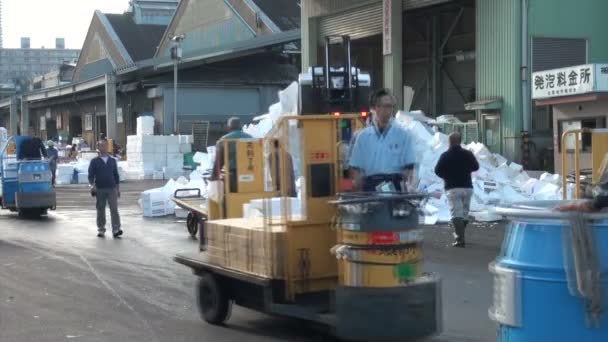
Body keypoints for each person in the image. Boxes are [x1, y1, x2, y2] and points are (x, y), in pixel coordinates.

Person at [348, 88, 416, 192]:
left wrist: (407, 188)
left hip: (395, 184)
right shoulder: (363, 137)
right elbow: (356, 169)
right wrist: (358, 190)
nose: (388, 110)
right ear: (376, 108)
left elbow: (409, 169)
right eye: (385, 106)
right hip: (371, 186)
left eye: (391, 107)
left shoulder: (403, 136)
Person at [434, 132, 480, 248]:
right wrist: (466, 169)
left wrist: (446, 176)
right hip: (467, 187)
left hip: (452, 187)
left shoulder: (445, 156)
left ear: (449, 142)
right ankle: (460, 234)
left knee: (456, 214)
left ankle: (460, 239)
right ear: (460, 141)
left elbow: (437, 170)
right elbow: (476, 167)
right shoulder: (468, 154)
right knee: (464, 213)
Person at [88, 140, 122, 238]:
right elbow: (90, 176)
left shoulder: (112, 161)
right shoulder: (94, 161)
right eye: (100, 146)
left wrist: (118, 189)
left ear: (107, 147)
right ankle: (101, 229)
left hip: (112, 188)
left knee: (114, 209)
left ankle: (116, 229)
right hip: (100, 189)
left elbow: (116, 176)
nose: (103, 147)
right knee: (100, 209)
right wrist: (92, 186)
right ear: (98, 148)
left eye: (104, 145)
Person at [211, 117, 253, 193]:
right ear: (241, 126)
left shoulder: (224, 139)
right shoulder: (250, 138)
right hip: (251, 174)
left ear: (229, 128)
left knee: (228, 197)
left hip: (232, 176)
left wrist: (214, 177)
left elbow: (219, 161)